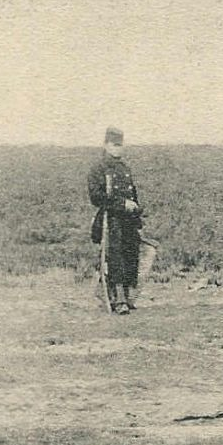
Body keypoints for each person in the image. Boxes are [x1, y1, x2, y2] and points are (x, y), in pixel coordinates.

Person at [87, 126, 145, 315]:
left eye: (120, 145)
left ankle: (127, 297)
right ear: (106, 145)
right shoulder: (98, 168)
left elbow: (132, 194)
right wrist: (121, 204)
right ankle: (118, 297)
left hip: (128, 220)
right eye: (114, 145)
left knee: (131, 255)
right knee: (115, 256)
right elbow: (96, 197)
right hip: (110, 219)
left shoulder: (124, 168)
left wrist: (136, 213)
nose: (118, 148)